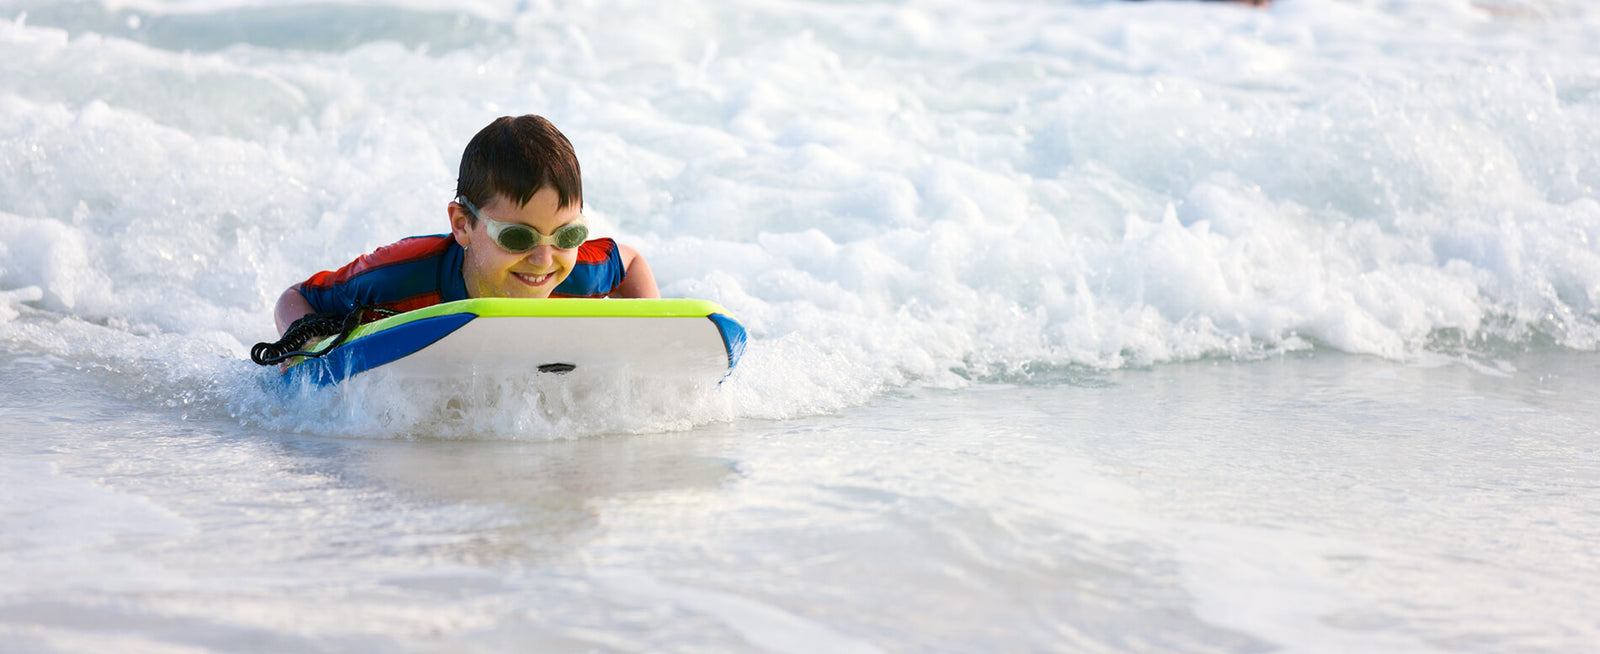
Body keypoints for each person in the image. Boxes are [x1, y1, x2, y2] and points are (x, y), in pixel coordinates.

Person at [272, 115, 658, 336]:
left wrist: (651, 335)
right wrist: (306, 343)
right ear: (462, 225)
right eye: (517, 237)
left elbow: (633, 262)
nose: (544, 260)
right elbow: (296, 297)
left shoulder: (575, 272)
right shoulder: (400, 276)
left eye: (568, 235)